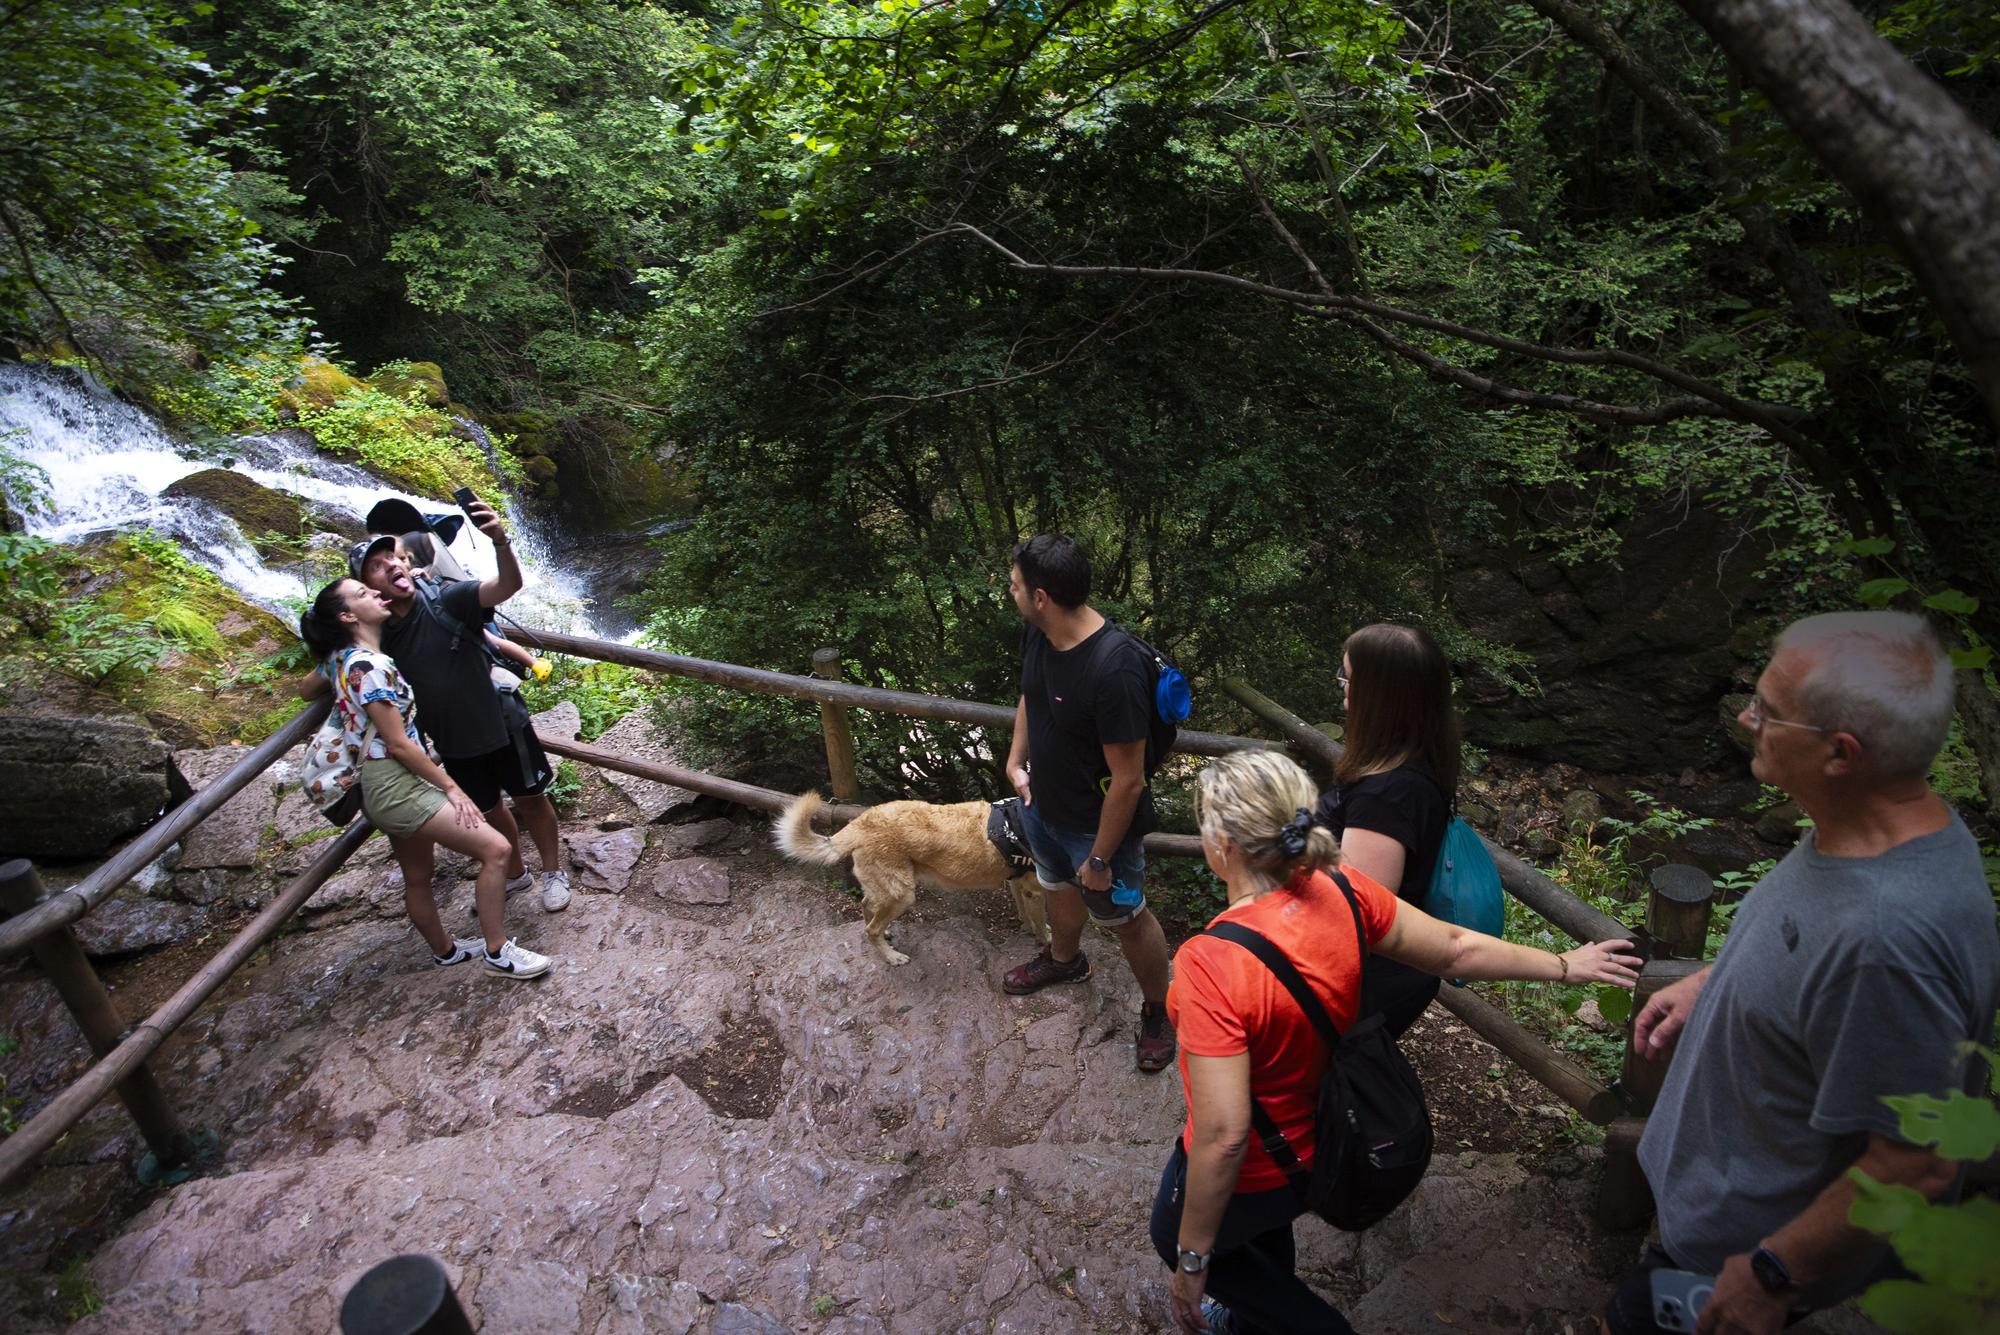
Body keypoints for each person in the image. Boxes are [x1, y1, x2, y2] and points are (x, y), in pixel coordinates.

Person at [1606, 611, 1998, 1334]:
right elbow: (1812, 950)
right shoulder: (1877, 823)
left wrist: (1772, 1274)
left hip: (1741, 1264)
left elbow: (1917, 1161)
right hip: (1721, 1214)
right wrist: (1717, 979)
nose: (1749, 717)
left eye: (1769, 712)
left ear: (1841, 754)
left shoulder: (1888, 941)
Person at [1155, 749, 1640, 1334]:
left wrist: (1190, 1261)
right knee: (1260, 1232)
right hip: (1335, 1138)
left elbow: (1223, 1135)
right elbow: (1455, 947)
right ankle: (1249, 1319)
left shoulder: (1212, 963)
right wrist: (1564, 963)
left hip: (1262, 1165)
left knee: (1174, 1230)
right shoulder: (1341, 888)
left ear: (1224, 845)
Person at [302, 497, 572, 916]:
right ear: (369, 589)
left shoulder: (448, 598)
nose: (393, 564)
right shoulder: (376, 634)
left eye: (395, 557)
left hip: (501, 721)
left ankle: (554, 872)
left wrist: (500, 541)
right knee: (489, 809)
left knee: (531, 798)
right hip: (453, 742)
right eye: (378, 564)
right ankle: (517, 874)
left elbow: (505, 588)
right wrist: (329, 662)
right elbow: (309, 686)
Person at [297, 578, 552, 980]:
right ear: (347, 616)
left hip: (378, 784)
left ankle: (446, 952)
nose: (375, 593)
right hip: (397, 784)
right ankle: (498, 952)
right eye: (362, 594)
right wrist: (451, 788)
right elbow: (398, 744)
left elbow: (305, 688)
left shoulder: (341, 659)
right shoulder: (370, 666)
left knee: (417, 876)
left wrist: (326, 647)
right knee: (496, 850)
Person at [1000, 533, 1177, 1071]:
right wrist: (1015, 761)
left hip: (1099, 829)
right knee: (1056, 885)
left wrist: (1099, 860)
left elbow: (1128, 781)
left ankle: (1158, 1010)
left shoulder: (1114, 669)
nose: (1009, 591)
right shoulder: (1040, 633)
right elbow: (1031, 692)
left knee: (1126, 917)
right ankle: (1064, 959)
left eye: (1014, 585)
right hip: (1043, 806)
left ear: (1040, 596)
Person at [1312, 623, 1455, 1038]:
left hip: (1357, 989)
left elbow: (1357, 913)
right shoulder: (1418, 757)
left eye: (1348, 677)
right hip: (1385, 977)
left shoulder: (1387, 793)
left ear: (1379, 692)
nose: (1342, 687)